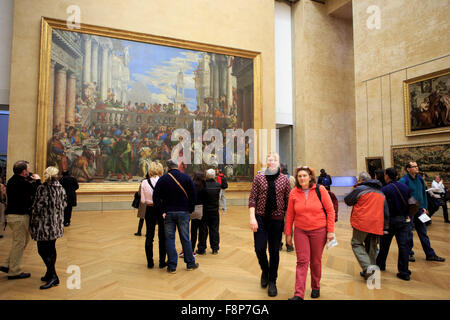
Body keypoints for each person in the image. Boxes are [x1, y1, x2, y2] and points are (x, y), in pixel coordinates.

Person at [285, 166, 335, 301]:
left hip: (319, 230)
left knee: (315, 261)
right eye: (299, 176)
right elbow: (290, 215)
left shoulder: (320, 190)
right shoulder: (294, 193)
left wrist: (330, 231)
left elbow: (330, 211)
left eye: (304, 176)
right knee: (302, 261)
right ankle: (298, 294)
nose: (302, 178)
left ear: (310, 177)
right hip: (301, 231)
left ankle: (315, 286)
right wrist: (288, 233)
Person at [248, 152, 291, 297]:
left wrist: (288, 223)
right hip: (260, 218)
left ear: (278, 163)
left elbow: (288, 202)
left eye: (274, 160)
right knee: (259, 248)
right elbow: (252, 198)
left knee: (274, 251)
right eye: (269, 159)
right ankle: (265, 271)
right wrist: (252, 218)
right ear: (266, 162)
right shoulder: (259, 177)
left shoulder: (284, 180)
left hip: (277, 219)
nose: (271, 162)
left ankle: (272, 281)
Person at [153, 159, 199, 273]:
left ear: (167, 167)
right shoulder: (186, 178)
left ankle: (172, 266)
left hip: (168, 213)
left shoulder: (163, 179)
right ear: (176, 167)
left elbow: (155, 197)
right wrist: (190, 209)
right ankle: (190, 263)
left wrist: (162, 210)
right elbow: (194, 195)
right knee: (185, 238)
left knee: (169, 239)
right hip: (183, 212)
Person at [344, 172, 389, 280]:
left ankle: (368, 268)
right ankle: (370, 272)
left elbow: (348, 200)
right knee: (372, 247)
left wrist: (354, 188)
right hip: (376, 223)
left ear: (360, 180)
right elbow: (386, 211)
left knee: (356, 243)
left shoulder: (360, 189)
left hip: (362, 222)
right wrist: (385, 226)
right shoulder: (380, 192)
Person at [0, 160, 41, 280]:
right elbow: (37, 190)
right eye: (28, 169)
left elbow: (27, 187)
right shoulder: (22, 183)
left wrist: (30, 178)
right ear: (24, 172)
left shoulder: (13, 180)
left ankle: (8, 264)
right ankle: (14, 271)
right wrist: (38, 180)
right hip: (19, 217)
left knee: (21, 241)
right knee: (19, 243)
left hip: (13, 216)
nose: (29, 171)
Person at [399, 162, 445, 262]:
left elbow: (424, 194)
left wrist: (425, 207)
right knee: (408, 233)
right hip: (409, 211)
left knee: (423, 232)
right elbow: (401, 197)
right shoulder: (403, 180)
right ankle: (409, 253)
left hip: (420, 210)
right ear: (408, 169)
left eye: (416, 166)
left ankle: (430, 254)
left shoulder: (419, 179)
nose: (416, 168)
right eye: (414, 167)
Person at [30, 166, 67, 289]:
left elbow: (37, 208)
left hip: (45, 225)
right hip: (56, 224)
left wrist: (33, 223)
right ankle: (49, 273)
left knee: (42, 249)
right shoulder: (60, 188)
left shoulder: (43, 188)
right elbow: (64, 204)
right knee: (51, 249)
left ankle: (53, 276)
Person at [376, 168, 413, 281]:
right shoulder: (405, 187)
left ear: (387, 176)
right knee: (403, 246)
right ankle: (404, 272)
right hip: (403, 220)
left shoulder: (385, 190)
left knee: (384, 245)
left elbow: (381, 208)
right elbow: (412, 203)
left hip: (390, 221)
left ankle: (380, 265)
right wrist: (408, 216)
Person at [140, 162, 166, 269]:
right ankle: (161, 262)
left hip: (149, 209)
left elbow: (142, 200)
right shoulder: (163, 182)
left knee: (149, 236)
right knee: (162, 236)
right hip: (161, 209)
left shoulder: (144, 182)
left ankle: (150, 263)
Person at [197, 169, 221, 255]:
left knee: (203, 230)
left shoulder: (203, 186)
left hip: (204, 211)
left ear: (206, 176)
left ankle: (202, 249)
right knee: (214, 230)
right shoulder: (218, 185)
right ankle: (215, 248)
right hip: (214, 211)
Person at [186, 171, 207, 256]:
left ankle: (191, 248)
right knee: (202, 230)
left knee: (193, 230)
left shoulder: (192, 186)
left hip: (193, 209)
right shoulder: (204, 187)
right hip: (202, 210)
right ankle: (201, 249)